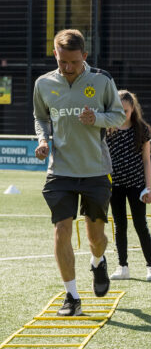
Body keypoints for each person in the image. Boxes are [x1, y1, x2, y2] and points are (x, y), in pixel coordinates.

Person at [33, 29, 126, 316]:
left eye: (74, 61)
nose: (68, 67)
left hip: (96, 170)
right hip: (60, 171)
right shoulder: (43, 83)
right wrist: (43, 140)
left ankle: (98, 262)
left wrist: (96, 118)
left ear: (84, 55)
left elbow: (119, 116)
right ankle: (72, 296)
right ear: (55, 54)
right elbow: (40, 117)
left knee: (96, 238)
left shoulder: (102, 80)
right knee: (61, 230)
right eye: (62, 61)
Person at [107, 90, 151, 281]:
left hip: (137, 185)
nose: (122, 115)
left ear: (132, 110)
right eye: (118, 111)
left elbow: (146, 160)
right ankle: (122, 266)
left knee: (140, 224)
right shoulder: (107, 129)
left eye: (126, 111)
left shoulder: (141, 129)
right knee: (119, 226)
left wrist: (148, 188)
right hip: (115, 186)